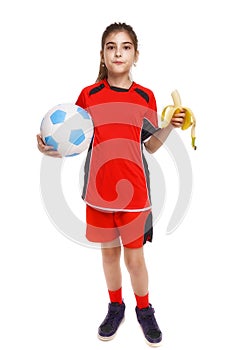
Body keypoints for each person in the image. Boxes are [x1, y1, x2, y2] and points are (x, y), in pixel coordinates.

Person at [37, 22, 185, 347]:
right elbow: (72, 139)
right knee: (108, 257)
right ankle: (115, 305)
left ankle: (144, 310)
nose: (118, 52)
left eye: (126, 46)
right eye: (111, 46)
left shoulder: (145, 95)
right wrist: (50, 148)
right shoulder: (88, 95)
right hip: (98, 195)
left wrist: (169, 127)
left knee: (135, 260)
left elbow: (150, 145)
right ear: (102, 55)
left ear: (136, 54)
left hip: (135, 197)